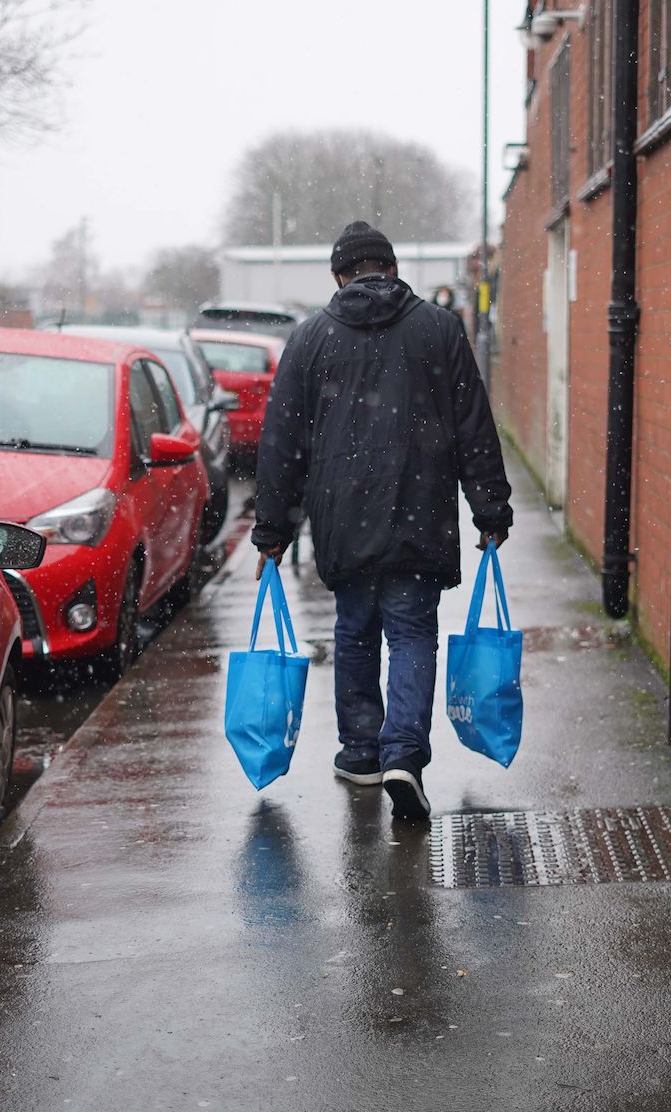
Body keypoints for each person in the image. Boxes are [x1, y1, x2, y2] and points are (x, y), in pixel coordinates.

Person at [251, 221, 513, 822]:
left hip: (343, 518)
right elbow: (475, 425)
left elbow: (281, 443)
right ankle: (404, 754)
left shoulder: (310, 337)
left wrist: (273, 529)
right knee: (413, 633)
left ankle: (363, 751)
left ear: (340, 276)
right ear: (391, 269)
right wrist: (490, 507)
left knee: (355, 631)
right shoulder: (440, 329)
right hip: (420, 512)